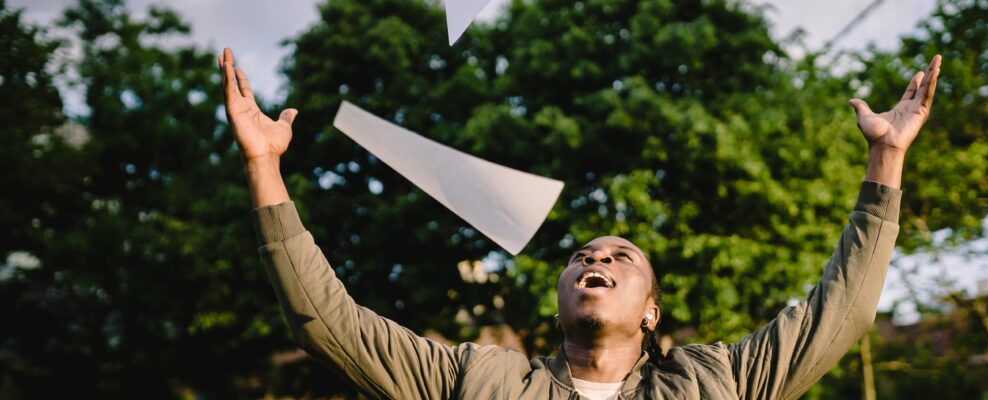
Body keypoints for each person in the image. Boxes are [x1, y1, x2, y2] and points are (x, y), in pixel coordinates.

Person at [218, 47, 941, 399]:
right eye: (580, 255)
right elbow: (329, 323)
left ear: (651, 311)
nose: (593, 258)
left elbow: (838, 313)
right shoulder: (480, 380)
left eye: (620, 255)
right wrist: (264, 169)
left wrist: (886, 162)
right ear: (563, 294)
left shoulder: (714, 381)